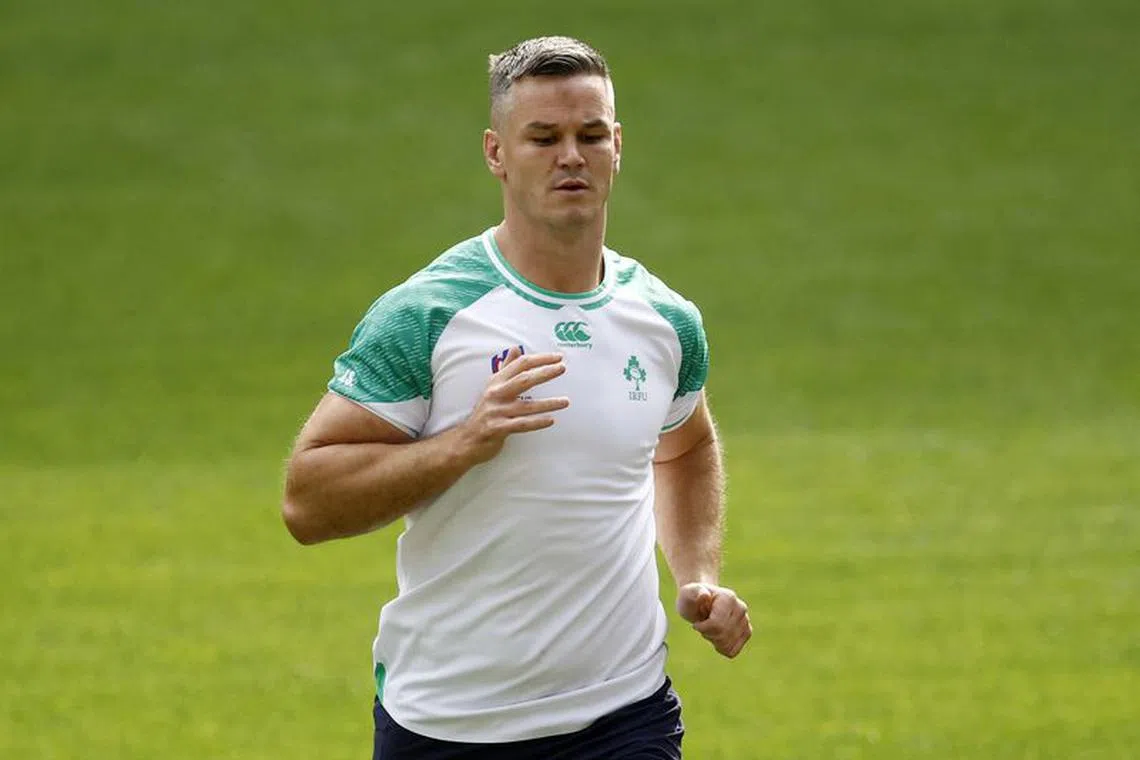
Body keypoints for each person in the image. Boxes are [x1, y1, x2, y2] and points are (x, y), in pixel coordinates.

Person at [282, 35, 752, 759]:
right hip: (451, 724)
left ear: (617, 145)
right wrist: (461, 444)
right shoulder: (431, 315)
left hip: (624, 715)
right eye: (544, 138)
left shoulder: (663, 320)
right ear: (497, 153)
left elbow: (685, 444)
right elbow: (307, 504)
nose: (572, 155)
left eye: (590, 135)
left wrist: (697, 576)